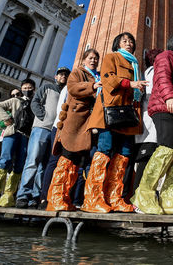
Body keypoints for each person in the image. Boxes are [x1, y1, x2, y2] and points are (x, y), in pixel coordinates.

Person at [82, 32, 147, 213]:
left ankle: (114, 197)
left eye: (131, 41)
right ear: (117, 44)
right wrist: (130, 84)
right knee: (105, 150)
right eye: (124, 41)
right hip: (110, 112)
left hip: (127, 115)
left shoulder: (135, 64)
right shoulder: (112, 57)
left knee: (125, 153)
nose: (129, 43)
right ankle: (93, 198)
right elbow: (108, 78)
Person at [131, 35, 173, 215]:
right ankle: (143, 196)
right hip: (165, 108)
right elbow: (162, 77)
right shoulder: (166, 56)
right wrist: (170, 97)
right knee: (165, 150)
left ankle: (170, 199)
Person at [46, 49, 101, 211]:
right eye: (90, 58)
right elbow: (73, 88)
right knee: (67, 158)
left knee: (77, 163)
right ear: (84, 60)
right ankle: (55, 199)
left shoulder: (96, 75)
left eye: (96, 58)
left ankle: (65, 198)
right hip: (74, 123)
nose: (93, 60)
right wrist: (92, 86)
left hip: (87, 125)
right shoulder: (78, 72)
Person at [16, 67, 69, 208]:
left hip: (55, 130)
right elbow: (35, 102)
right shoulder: (47, 87)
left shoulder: (66, 91)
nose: (63, 77)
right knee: (33, 160)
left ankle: (35, 196)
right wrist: (43, 117)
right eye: (61, 74)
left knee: (44, 164)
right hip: (41, 128)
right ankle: (23, 195)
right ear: (55, 76)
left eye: (65, 75)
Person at [0, 79, 36, 207]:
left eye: (29, 88)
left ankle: (8, 195)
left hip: (26, 136)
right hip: (12, 132)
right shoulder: (15, 100)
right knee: (4, 160)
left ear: (34, 89)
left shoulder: (35, 103)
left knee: (19, 164)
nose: (27, 89)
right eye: (25, 87)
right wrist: (6, 118)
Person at [131, 49, 163, 200]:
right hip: (149, 124)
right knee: (146, 160)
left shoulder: (147, 72)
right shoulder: (152, 72)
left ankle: (143, 196)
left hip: (148, 123)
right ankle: (139, 197)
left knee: (148, 161)